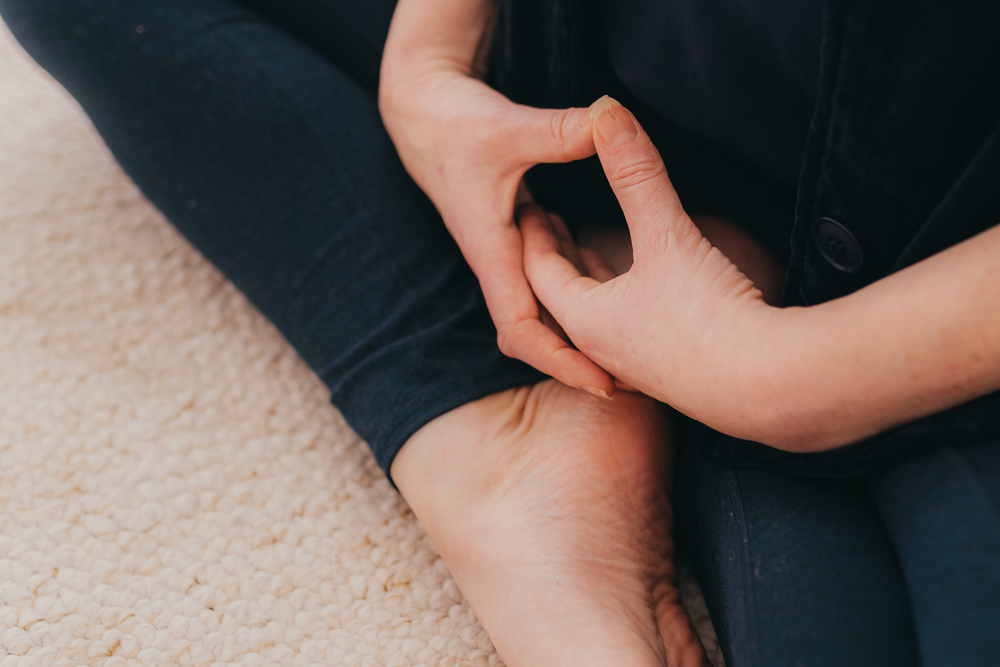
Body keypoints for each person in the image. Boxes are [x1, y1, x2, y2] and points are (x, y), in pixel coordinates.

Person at [1, 1, 997, 666]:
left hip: (939, 277)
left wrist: (785, 378)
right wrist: (430, 57)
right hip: (585, 83)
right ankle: (490, 418)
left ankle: (639, 357)